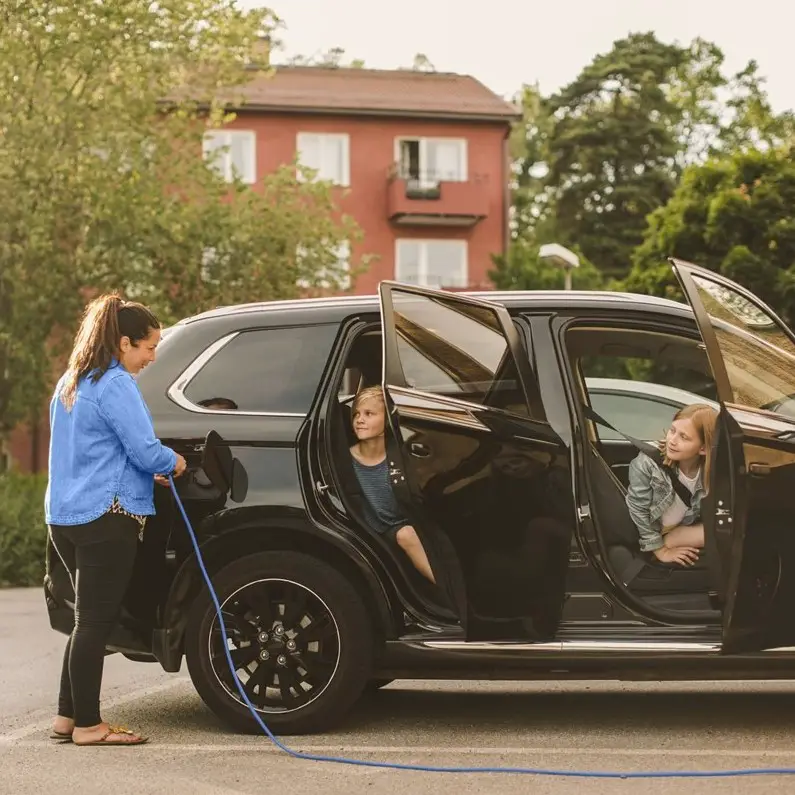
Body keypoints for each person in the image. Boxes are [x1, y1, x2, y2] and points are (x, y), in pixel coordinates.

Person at [46, 294, 187, 747]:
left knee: (85, 619)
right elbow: (145, 450)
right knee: (95, 624)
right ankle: (89, 725)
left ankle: (67, 718)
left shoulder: (71, 380)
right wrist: (174, 463)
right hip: (108, 516)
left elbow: (92, 450)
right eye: (148, 347)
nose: (151, 357)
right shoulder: (116, 383)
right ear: (124, 342)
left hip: (64, 515)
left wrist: (150, 470)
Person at [349, 386, 435, 583]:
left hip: (409, 520)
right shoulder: (346, 460)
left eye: (369, 414)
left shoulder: (401, 454)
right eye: (356, 415)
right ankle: (449, 596)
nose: (359, 420)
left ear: (387, 419)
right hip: (381, 530)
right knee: (406, 535)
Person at [626, 403, 717, 568]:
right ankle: (659, 548)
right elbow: (638, 509)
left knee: (728, 530)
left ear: (703, 449)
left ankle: (672, 540)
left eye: (684, 437)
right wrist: (661, 550)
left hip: (681, 529)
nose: (672, 441)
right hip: (651, 531)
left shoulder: (709, 470)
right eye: (672, 430)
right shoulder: (647, 462)